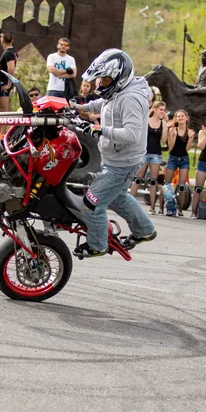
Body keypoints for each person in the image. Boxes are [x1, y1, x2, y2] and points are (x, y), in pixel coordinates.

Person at [72, 48, 156, 259]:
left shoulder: (131, 98)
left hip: (123, 163)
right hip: (116, 159)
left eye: (104, 80)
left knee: (91, 203)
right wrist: (81, 108)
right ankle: (145, 230)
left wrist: (100, 130)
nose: (100, 84)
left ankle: (97, 245)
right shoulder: (118, 91)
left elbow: (131, 134)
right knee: (118, 197)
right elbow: (105, 103)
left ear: (119, 77)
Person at [130, 101, 168, 215]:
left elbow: (164, 141)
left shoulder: (163, 124)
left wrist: (166, 125)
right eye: (161, 109)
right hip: (144, 152)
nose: (162, 112)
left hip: (156, 153)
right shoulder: (146, 120)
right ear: (155, 109)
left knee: (153, 180)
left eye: (164, 110)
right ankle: (129, 203)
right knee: (138, 178)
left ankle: (152, 207)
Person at [164, 109, 195, 216]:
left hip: (184, 159)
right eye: (178, 116)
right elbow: (171, 147)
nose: (180, 118)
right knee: (167, 184)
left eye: (182, 116)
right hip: (172, 158)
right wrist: (173, 135)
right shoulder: (172, 130)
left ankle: (180, 209)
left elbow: (187, 149)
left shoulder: (190, 132)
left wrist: (190, 138)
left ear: (186, 118)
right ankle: (163, 207)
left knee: (182, 186)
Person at [0, 32, 18, 114]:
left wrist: (8, 84)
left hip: (3, 83)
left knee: (3, 109)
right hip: (1, 82)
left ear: (2, 41)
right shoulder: (10, 51)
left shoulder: (9, 53)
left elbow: (11, 68)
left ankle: (3, 126)